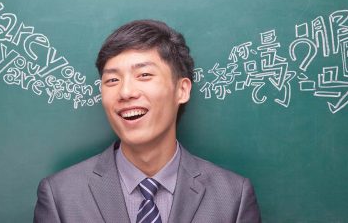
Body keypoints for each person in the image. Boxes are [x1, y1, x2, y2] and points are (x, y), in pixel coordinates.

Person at [34, 19, 261, 223]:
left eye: (144, 75)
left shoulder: (233, 197)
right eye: (112, 80)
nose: (126, 92)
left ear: (181, 90)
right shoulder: (60, 196)